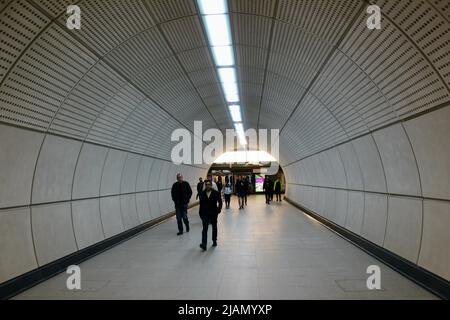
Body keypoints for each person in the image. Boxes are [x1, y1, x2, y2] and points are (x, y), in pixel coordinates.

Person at [199, 180, 223, 251]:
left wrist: (218, 210)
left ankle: (214, 240)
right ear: (205, 185)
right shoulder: (202, 193)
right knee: (204, 229)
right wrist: (200, 213)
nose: (208, 186)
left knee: (214, 227)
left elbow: (220, 202)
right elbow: (201, 204)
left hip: (213, 213)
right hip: (205, 213)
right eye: (206, 184)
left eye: (209, 184)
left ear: (211, 186)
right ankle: (204, 244)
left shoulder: (216, 193)